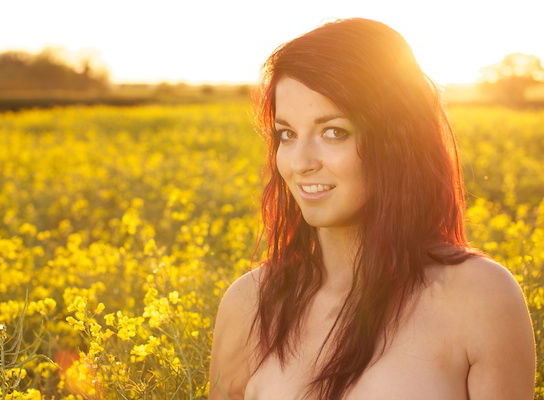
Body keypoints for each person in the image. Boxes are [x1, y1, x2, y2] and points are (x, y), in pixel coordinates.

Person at [208, 17, 536, 400]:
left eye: (334, 132)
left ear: (397, 141)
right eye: (287, 134)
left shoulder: (480, 299)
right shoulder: (249, 304)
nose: (300, 162)